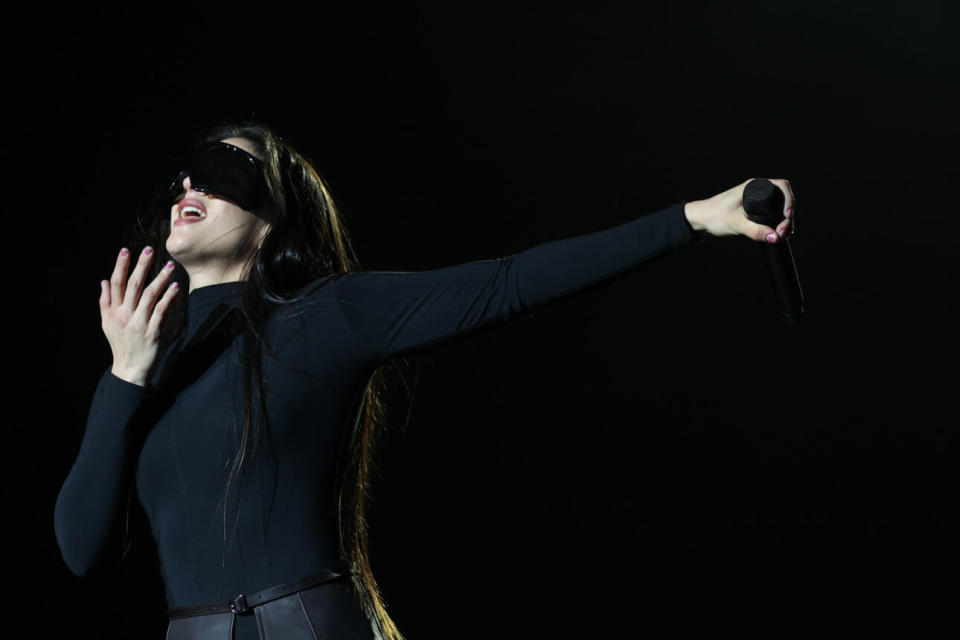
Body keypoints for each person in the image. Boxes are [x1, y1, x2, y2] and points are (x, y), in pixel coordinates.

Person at [54, 120, 795, 640]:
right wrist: (123, 377)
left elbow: (507, 283)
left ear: (275, 219)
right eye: (188, 172)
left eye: (226, 173)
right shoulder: (138, 369)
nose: (192, 183)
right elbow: (80, 551)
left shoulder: (326, 316)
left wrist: (698, 217)